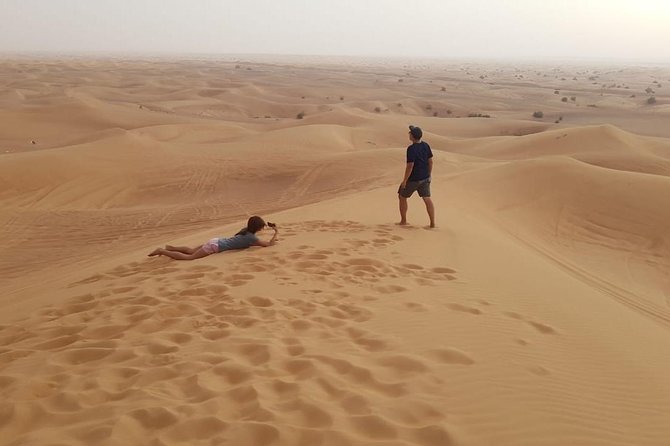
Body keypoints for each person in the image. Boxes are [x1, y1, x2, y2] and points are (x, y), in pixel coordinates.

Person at [148, 216, 278, 260]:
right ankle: (162, 251)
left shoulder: (245, 232)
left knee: (191, 250)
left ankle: (170, 248)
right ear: (256, 228)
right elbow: (268, 245)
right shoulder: (251, 238)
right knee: (190, 257)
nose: (262, 229)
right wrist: (276, 232)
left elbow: (255, 242)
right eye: (261, 227)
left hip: (216, 241)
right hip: (215, 246)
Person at [398, 125, 436, 228]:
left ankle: (403, 221)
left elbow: (410, 166)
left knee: (402, 196)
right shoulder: (426, 145)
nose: (409, 134)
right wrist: (429, 175)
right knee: (427, 198)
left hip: (414, 179)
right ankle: (432, 223)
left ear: (413, 136)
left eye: (410, 133)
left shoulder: (411, 149)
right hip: (425, 178)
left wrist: (405, 181)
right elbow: (430, 161)